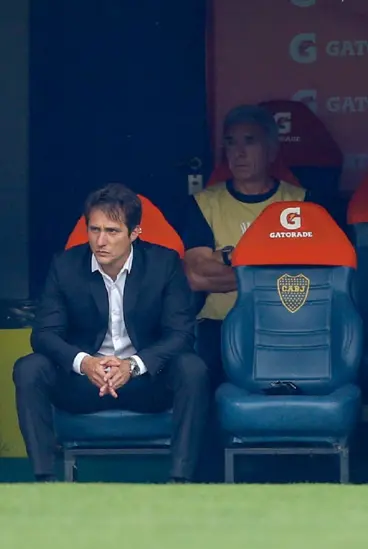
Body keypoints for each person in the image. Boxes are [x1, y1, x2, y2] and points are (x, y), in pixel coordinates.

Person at [13, 184, 209, 482]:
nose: (100, 241)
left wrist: (134, 365)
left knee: (191, 368)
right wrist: (85, 363)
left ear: (135, 233)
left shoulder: (163, 264)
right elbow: (44, 334)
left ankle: (180, 480)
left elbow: (181, 334)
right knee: (29, 368)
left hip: (144, 382)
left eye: (112, 231)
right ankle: (45, 479)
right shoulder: (65, 266)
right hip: (84, 383)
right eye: (94, 230)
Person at [181, 105, 309, 380]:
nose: (238, 153)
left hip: (284, 319)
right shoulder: (205, 203)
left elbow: (308, 272)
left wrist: (224, 258)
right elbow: (196, 276)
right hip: (219, 324)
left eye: (249, 142)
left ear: (271, 150)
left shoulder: (300, 202)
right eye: (231, 143)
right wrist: (267, 268)